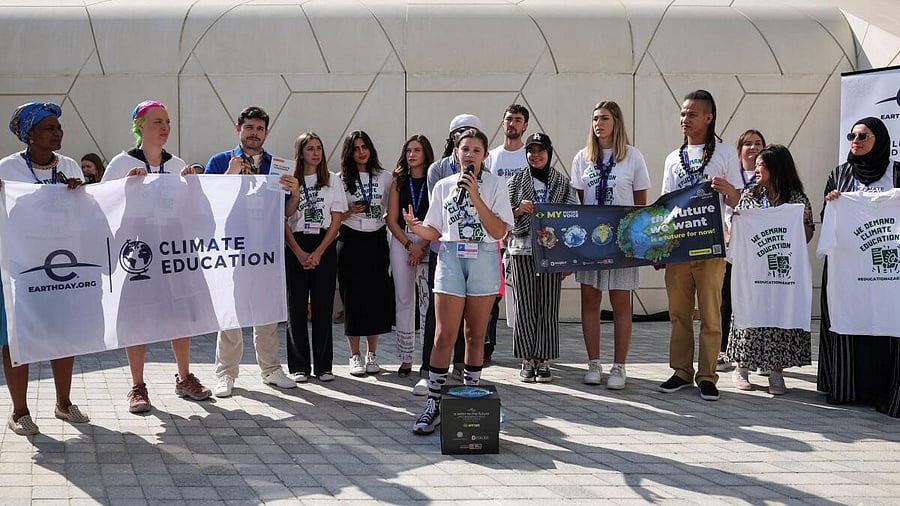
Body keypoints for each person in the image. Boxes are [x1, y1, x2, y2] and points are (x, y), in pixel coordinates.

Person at [102, 100, 211, 412]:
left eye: (167, 122)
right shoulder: (121, 163)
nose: (165, 127)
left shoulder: (177, 165)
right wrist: (126, 189)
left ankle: (184, 376)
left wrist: (193, 187)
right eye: (157, 122)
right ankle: (137, 385)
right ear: (140, 126)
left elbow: (194, 211)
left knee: (180, 313)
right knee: (137, 316)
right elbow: (102, 207)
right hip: (139, 246)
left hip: (174, 244)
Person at [405, 128, 514, 435]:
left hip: (483, 257)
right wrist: (416, 227)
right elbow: (435, 229)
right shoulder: (443, 185)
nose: (470, 155)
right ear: (456, 153)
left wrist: (475, 194)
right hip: (451, 256)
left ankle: (470, 397)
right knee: (444, 334)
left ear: (485, 156)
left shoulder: (496, 184)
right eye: (465, 149)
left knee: (475, 334)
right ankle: (434, 403)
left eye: (476, 150)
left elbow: (499, 231)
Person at [0, 102, 90, 435]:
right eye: (49, 128)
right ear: (30, 134)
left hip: (61, 265)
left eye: (59, 127)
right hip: (20, 267)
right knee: (16, 338)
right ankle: (19, 411)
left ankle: (64, 403)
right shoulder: (7, 169)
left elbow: (85, 214)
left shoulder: (69, 166)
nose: (58, 132)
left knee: (63, 335)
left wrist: (80, 194)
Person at [203, 106, 298, 397]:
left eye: (259, 128)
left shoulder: (278, 165)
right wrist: (229, 176)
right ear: (238, 129)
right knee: (230, 311)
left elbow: (286, 212)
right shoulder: (220, 161)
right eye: (249, 128)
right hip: (231, 248)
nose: (254, 133)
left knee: (267, 310)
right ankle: (226, 373)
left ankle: (271, 369)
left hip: (266, 248)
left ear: (266, 132)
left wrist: (294, 192)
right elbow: (208, 204)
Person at [658, 90, 742, 401]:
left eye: (692, 114)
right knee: (679, 313)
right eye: (682, 114)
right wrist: (661, 243)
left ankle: (707, 376)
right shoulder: (673, 158)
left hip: (710, 247)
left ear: (708, 117)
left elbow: (738, 200)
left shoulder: (726, 153)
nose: (685, 119)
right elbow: (666, 205)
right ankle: (681, 371)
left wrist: (728, 189)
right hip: (679, 247)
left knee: (710, 313)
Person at [819, 116, 900, 417]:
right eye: (852, 136)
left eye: (863, 136)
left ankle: (888, 391)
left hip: (889, 271)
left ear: (879, 139)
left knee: (890, 325)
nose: (855, 141)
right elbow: (828, 217)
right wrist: (832, 203)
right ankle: (847, 388)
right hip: (849, 268)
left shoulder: (897, 173)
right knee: (848, 321)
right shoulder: (840, 174)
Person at [570, 101, 651, 389]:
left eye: (604, 118)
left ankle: (619, 366)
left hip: (621, 241)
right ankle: (593, 362)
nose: (598, 124)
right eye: (595, 119)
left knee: (620, 304)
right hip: (591, 241)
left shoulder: (632, 156)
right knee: (590, 301)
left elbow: (640, 202)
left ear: (616, 121)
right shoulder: (582, 158)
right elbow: (579, 201)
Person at [727, 144, 814, 394]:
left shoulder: (797, 200)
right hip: (753, 270)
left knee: (780, 314)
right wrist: (738, 221)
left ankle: (776, 373)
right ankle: (741, 368)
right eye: (755, 165)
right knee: (749, 310)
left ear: (777, 168)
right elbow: (738, 230)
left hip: (781, 271)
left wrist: (801, 222)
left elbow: (806, 236)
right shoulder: (750, 195)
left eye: (761, 165)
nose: (756, 170)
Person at [508, 133, 577, 383]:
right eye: (531, 150)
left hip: (552, 252)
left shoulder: (562, 182)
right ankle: (527, 357)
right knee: (525, 304)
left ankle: (544, 358)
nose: (535, 155)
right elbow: (501, 217)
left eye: (540, 150)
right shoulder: (515, 181)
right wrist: (518, 210)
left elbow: (572, 217)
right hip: (522, 249)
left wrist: (568, 258)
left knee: (548, 304)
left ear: (549, 152)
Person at [419, 115, 480, 395]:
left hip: (477, 254)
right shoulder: (439, 169)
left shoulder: (485, 172)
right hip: (444, 250)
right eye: (459, 134)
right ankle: (428, 371)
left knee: (471, 318)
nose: (463, 138)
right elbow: (440, 210)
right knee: (439, 317)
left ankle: (461, 367)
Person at [284, 132, 346, 383]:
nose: (316, 153)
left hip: (324, 244)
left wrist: (319, 252)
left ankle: (323, 366)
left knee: (323, 307)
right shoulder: (290, 180)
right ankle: (299, 366)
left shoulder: (332, 180)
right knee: (296, 307)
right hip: (296, 244)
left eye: (319, 148)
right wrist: (299, 252)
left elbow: (337, 218)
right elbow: (283, 218)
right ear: (300, 153)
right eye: (310, 148)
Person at [338, 130, 394, 377]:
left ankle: (372, 353)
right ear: (349, 153)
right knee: (353, 297)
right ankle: (354, 355)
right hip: (350, 238)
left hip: (376, 239)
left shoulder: (385, 177)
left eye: (364, 147)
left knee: (375, 296)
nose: (361, 152)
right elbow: (334, 215)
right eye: (356, 148)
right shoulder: (340, 179)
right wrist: (350, 210)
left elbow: (391, 209)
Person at [483, 104, 529, 363]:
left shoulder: (529, 156)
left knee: (522, 295)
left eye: (518, 120)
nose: (512, 123)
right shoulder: (491, 157)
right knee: (492, 295)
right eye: (509, 119)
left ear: (525, 125)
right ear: (502, 123)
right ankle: (485, 348)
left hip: (522, 238)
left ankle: (527, 349)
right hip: (494, 237)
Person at [719, 129, 767, 374]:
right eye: (748, 143)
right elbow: (723, 208)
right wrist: (726, 230)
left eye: (758, 143)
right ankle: (724, 350)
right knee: (727, 299)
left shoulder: (767, 176)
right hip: (731, 245)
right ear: (739, 150)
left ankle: (759, 354)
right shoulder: (731, 174)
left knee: (757, 299)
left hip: (758, 248)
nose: (753, 148)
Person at [387, 135, 435, 379]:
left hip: (429, 240)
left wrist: (422, 245)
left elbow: (438, 216)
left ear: (426, 153)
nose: (412, 155)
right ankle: (406, 357)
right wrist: (409, 245)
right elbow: (391, 219)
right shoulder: (398, 181)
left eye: (417, 150)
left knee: (428, 302)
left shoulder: (434, 179)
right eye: (408, 151)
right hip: (402, 240)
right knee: (404, 299)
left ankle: (429, 358)